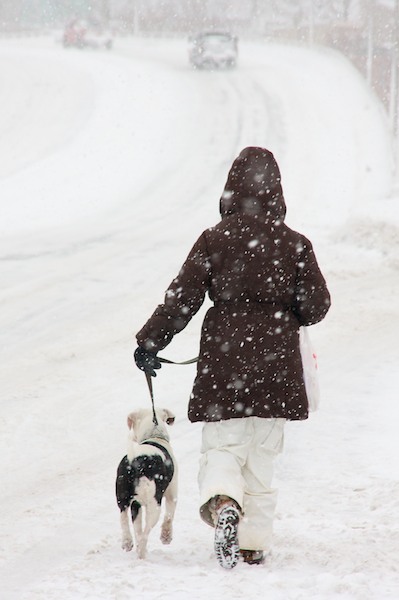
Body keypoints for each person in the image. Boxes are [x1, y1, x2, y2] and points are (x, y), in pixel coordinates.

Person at [134, 147, 331, 569]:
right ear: (277, 192)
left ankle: (224, 501)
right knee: (262, 457)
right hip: (276, 365)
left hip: (226, 365)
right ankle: (252, 543)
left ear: (230, 191)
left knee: (223, 447)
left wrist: (151, 341)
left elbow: (182, 298)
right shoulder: (295, 244)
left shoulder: (214, 239)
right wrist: (284, 306)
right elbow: (316, 306)